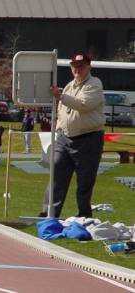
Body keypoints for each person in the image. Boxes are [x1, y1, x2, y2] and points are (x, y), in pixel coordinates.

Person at [38, 54, 104, 219]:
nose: (77, 69)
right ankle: (49, 213)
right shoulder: (69, 86)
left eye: (81, 66)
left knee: (84, 181)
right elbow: (63, 110)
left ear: (89, 66)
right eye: (74, 65)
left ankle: (84, 215)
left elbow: (83, 104)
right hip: (64, 138)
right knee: (56, 172)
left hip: (88, 138)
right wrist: (59, 126)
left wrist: (60, 95)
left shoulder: (94, 84)